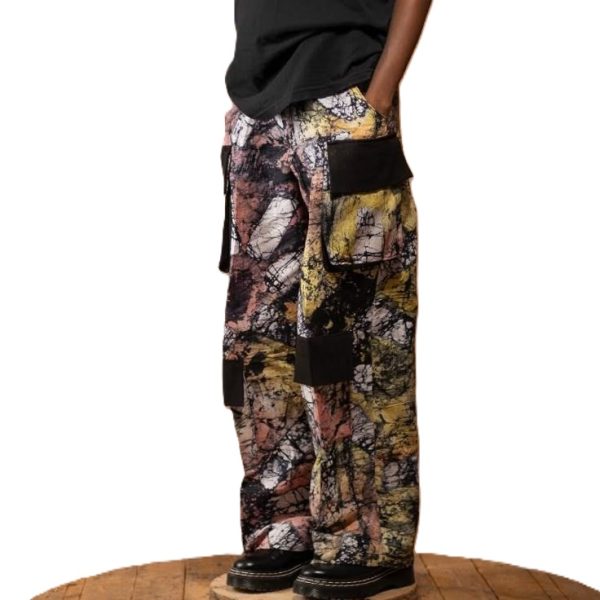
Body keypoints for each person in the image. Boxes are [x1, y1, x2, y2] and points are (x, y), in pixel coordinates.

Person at [218, 1, 432, 598]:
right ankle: (286, 528)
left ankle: (370, 542)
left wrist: (378, 97)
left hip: (345, 95)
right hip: (257, 105)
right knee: (259, 338)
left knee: (354, 338)